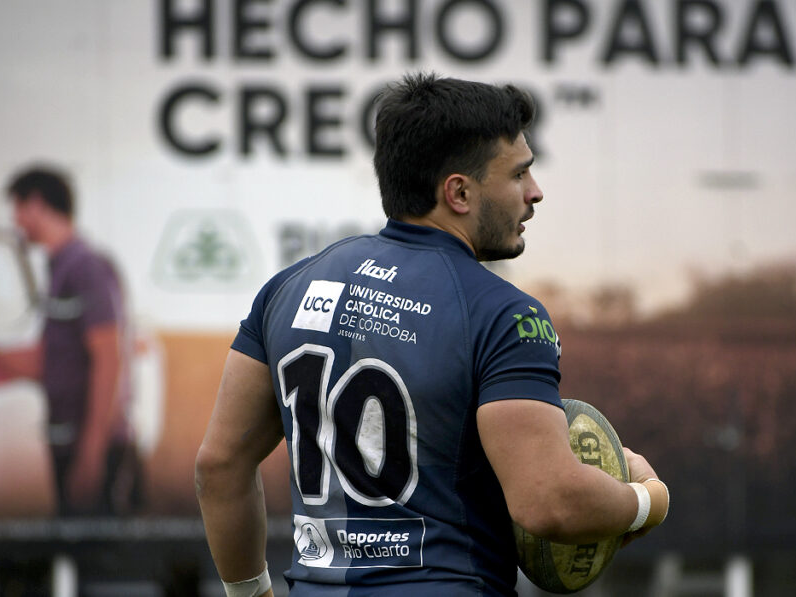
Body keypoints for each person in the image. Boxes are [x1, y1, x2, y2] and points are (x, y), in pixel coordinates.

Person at [195, 72, 669, 597]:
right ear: (459, 192)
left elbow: (219, 464)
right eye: (518, 174)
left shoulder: (287, 289)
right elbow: (550, 501)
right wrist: (647, 499)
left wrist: (250, 593)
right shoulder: (505, 315)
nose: (535, 192)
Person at [0, 165, 142, 517]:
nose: (15, 220)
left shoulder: (86, 267)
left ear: (37, 204)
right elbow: (45, 363)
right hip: (68, 445)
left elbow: (109, 358)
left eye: (17, 208)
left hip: (92, 448)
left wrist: (91, 452)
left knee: (96, 547)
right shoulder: (58, 270)